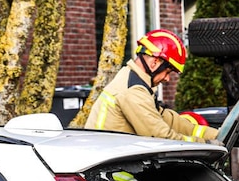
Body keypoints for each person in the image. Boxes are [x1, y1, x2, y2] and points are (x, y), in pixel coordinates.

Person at [85, 29, 218, 143]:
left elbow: (168, 120)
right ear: (155, 62)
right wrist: (206, 144)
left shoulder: (134, 81)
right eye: (168, 72)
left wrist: (216, 135)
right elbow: (162, 138)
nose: (167, 78)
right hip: (113, 171)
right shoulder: (133, 91)